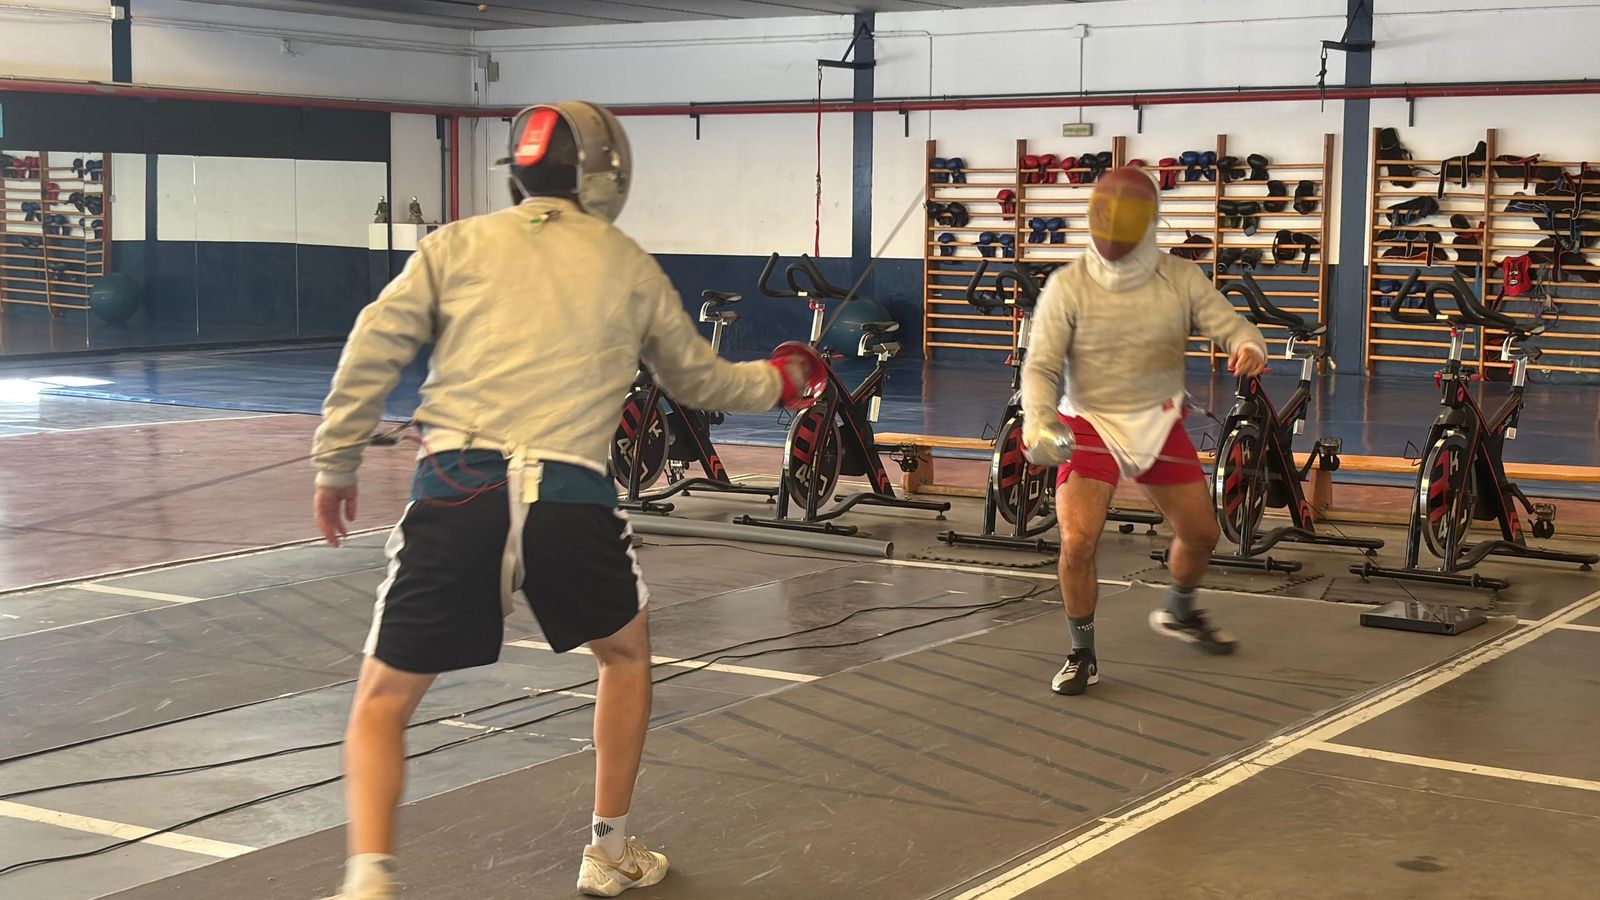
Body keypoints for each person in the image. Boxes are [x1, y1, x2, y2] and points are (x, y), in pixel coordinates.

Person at [310, 101, 824, 898]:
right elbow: (700, 382)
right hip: (568, 502)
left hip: (456, 493)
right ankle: (607, 850)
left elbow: (373, 345)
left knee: (381, 701)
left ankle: (370, 880)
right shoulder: (624, 262)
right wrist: (784, 380)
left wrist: (336, 463)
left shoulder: (454, 243)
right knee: (624, 654)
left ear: (518, 172)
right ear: (605, 173)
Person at [1020, 166, 1267, 697]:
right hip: (1091, 422)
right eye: (1104, 213)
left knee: (1203, 535)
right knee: (1078, 541)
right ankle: (1081, 653)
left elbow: (1229, 324)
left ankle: (1178, 612)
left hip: (1156, 422)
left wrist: (1248, 347)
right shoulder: (1068, 286)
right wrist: (1039, 417)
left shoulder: (1179, 278)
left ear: (1148, 222)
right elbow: (1040, 366)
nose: (1112, 225)